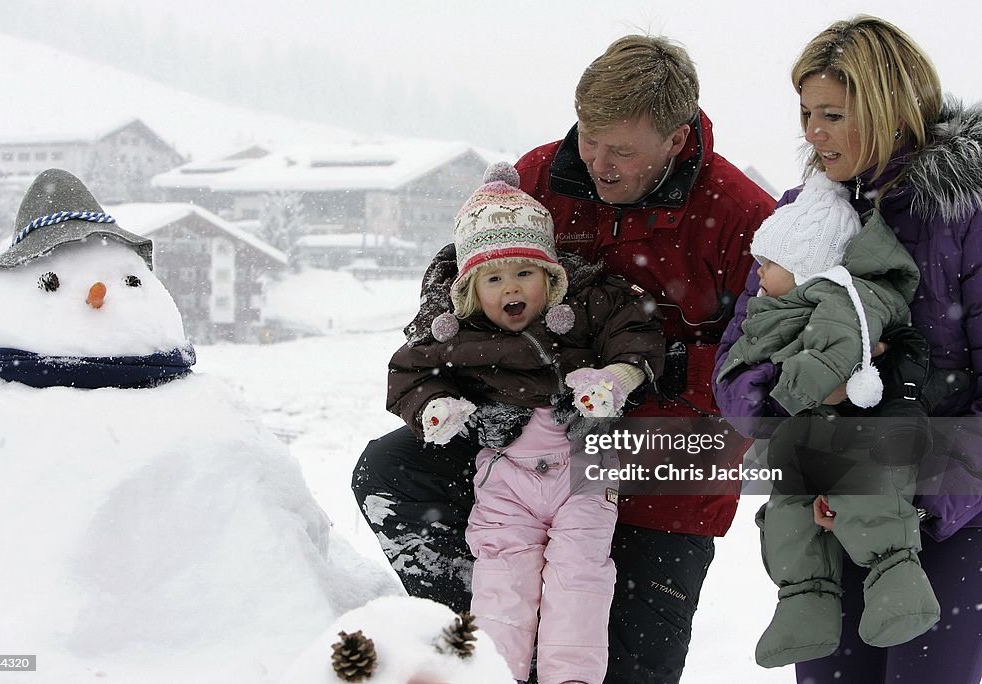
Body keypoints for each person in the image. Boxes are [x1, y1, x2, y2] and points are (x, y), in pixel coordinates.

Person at [353, 34, 776, 683]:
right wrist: (476, 380)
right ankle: (493, 644)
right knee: (391, 471)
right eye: (590, 137)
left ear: (674, 138)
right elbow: (457, 274)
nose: (599, 162)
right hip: (521, 437)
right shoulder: (540, 176)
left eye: (623, 151)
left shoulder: (742, 217)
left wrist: (639, 384)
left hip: (661, 465)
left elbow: (763, 361)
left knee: (615, 665)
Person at [713, 15, 982, 684]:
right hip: (827, 507)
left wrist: (911, 494)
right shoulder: (801, 216)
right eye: (806, 113)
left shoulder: (965, 213)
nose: (812, 132)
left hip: (952, 517)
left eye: (831, 113)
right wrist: (802, 401)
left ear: (890, 109)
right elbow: (739, 363)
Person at [387, 162, 664, 684]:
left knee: (579, 578)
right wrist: (435, 405)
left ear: (550, 276)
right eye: (493, 278)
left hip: (583, 468)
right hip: (506, 475)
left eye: (524, 274)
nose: (510, 289)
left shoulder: (589, 305)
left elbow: (639, 335)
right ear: (472, 290)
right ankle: (495, 673)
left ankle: (572, 677)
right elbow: (408, 372)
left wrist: (615, 378)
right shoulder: (456, 332)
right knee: (501, 579)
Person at [715, 170, 942, 667]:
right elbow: (733, 367)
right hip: (799, 445)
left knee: (870, 507)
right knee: (789, 520)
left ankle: (899, 585)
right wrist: (761, 400)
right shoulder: (774, 307)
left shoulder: (839, 299)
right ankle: (804, 603)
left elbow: (834, 353)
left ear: (807, 267)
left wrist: (786, 390)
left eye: (769, 263)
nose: (759, 273)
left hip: (849, 435)